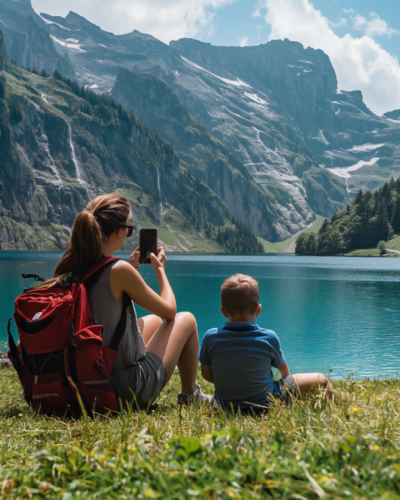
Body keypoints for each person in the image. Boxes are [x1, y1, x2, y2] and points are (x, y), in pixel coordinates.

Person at [39, 193, 211, 409]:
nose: (129, 233)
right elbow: (170, 311)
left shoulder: (70, 265)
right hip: (121, 388)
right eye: (129, 229)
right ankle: (189, 395)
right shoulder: (118, 270)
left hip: (80, 378)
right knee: (186, 319)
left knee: (154, 321)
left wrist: (133, 268)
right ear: (120, 231)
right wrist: (161, 272)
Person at [199, 274, 333, 410]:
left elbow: (206, 374)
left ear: (223, 311)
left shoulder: (211, 337)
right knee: (321, 380)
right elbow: (285, 374)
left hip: (226, 405)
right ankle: (333, 407)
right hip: (265, 404)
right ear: (258, 310)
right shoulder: (269, 337)